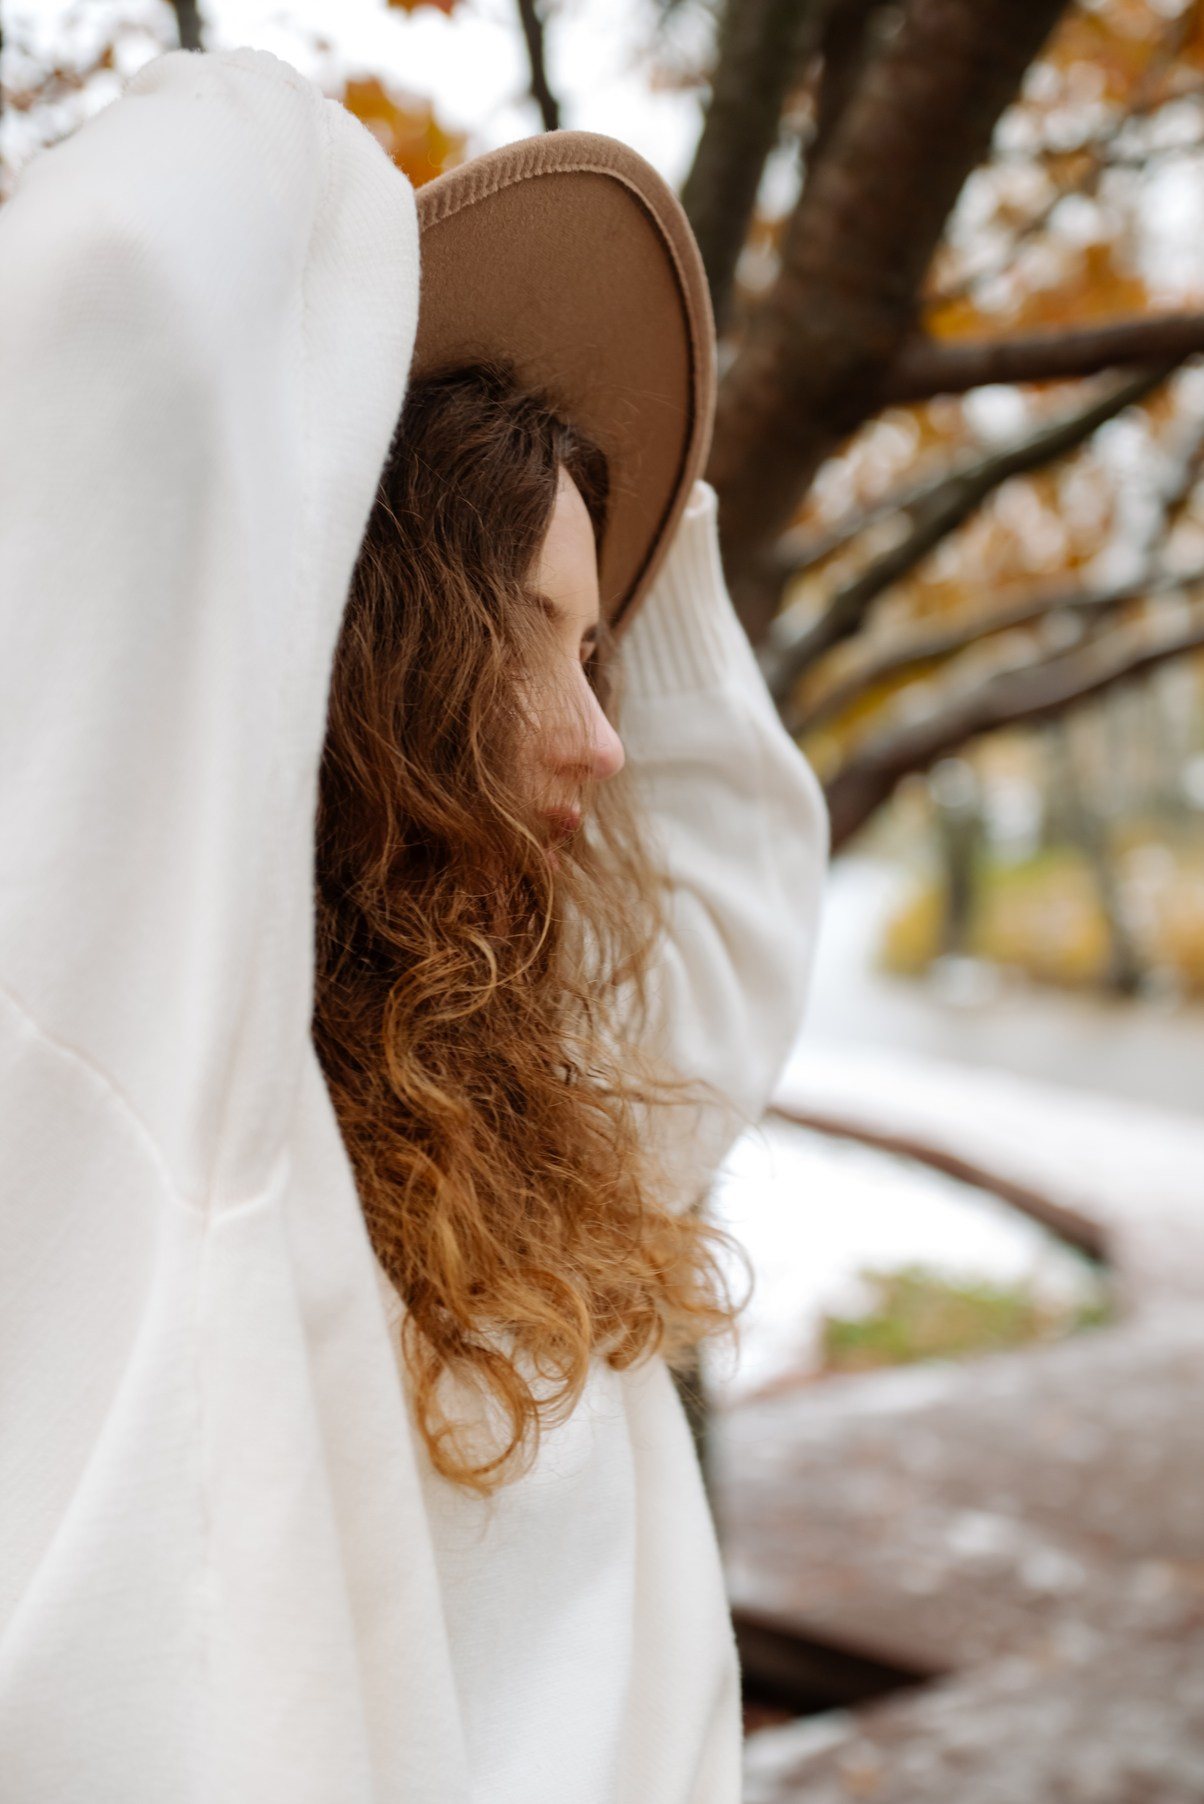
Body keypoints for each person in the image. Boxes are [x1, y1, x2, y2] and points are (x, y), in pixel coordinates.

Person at [0, 46, 828, 1804]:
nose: (605, 737)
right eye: (532, 638)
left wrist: (643, 533)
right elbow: (121, 297)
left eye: (598, 656)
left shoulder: (506, 1083)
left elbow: (741, 924)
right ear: (370, 650)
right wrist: (320, 190)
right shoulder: (183, 1090)